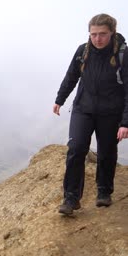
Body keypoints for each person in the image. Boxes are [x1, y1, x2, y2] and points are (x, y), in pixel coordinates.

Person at [53, 13, 128, 215]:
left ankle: (104, 191)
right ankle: (71, 198)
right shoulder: (83, 51)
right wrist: (60, 99)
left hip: (110, 112)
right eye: (93, 34)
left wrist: (125, 122)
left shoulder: (123, 54)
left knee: (106, 151)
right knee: (76, 148)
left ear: (112, 32)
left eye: (102, 34)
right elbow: (71, 76)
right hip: (83, 109)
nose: (97, 39)